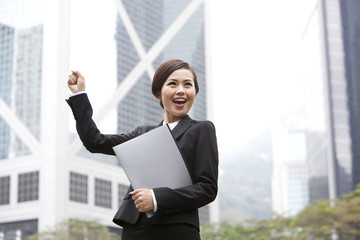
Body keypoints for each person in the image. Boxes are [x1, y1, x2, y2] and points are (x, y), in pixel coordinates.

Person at [66, 59, 218, 240]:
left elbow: (207, 188)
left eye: (188, 85)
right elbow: (94, 141)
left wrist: (155, 198)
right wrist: (79, 95)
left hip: (176, 230)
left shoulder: (202, 130)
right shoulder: (143, 133)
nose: (181, 90)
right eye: (172, 84)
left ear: (195, 92)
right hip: (135, 229)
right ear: (158, 93)